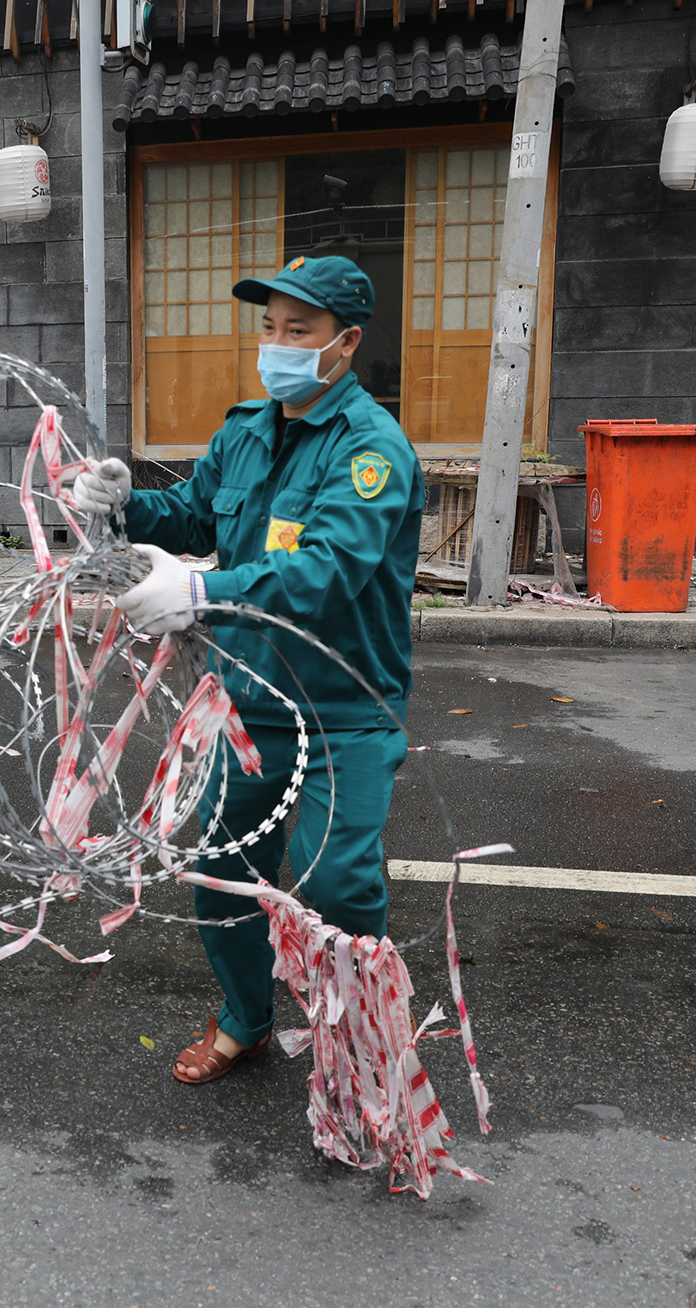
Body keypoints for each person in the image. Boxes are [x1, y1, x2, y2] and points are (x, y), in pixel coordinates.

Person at [71, 255, 423, 1085]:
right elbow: (196, 509)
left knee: (338, 880)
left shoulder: (372, 451)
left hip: (347, 706)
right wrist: (122, 502)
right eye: (268, 327)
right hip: (251, 698)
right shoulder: (246, 430)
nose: (277, 344)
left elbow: (327, 569)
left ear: (346, 343)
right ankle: (245, 1017)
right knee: (225, 875)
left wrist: (199, 590)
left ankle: (359, 1037)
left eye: (297, 330)